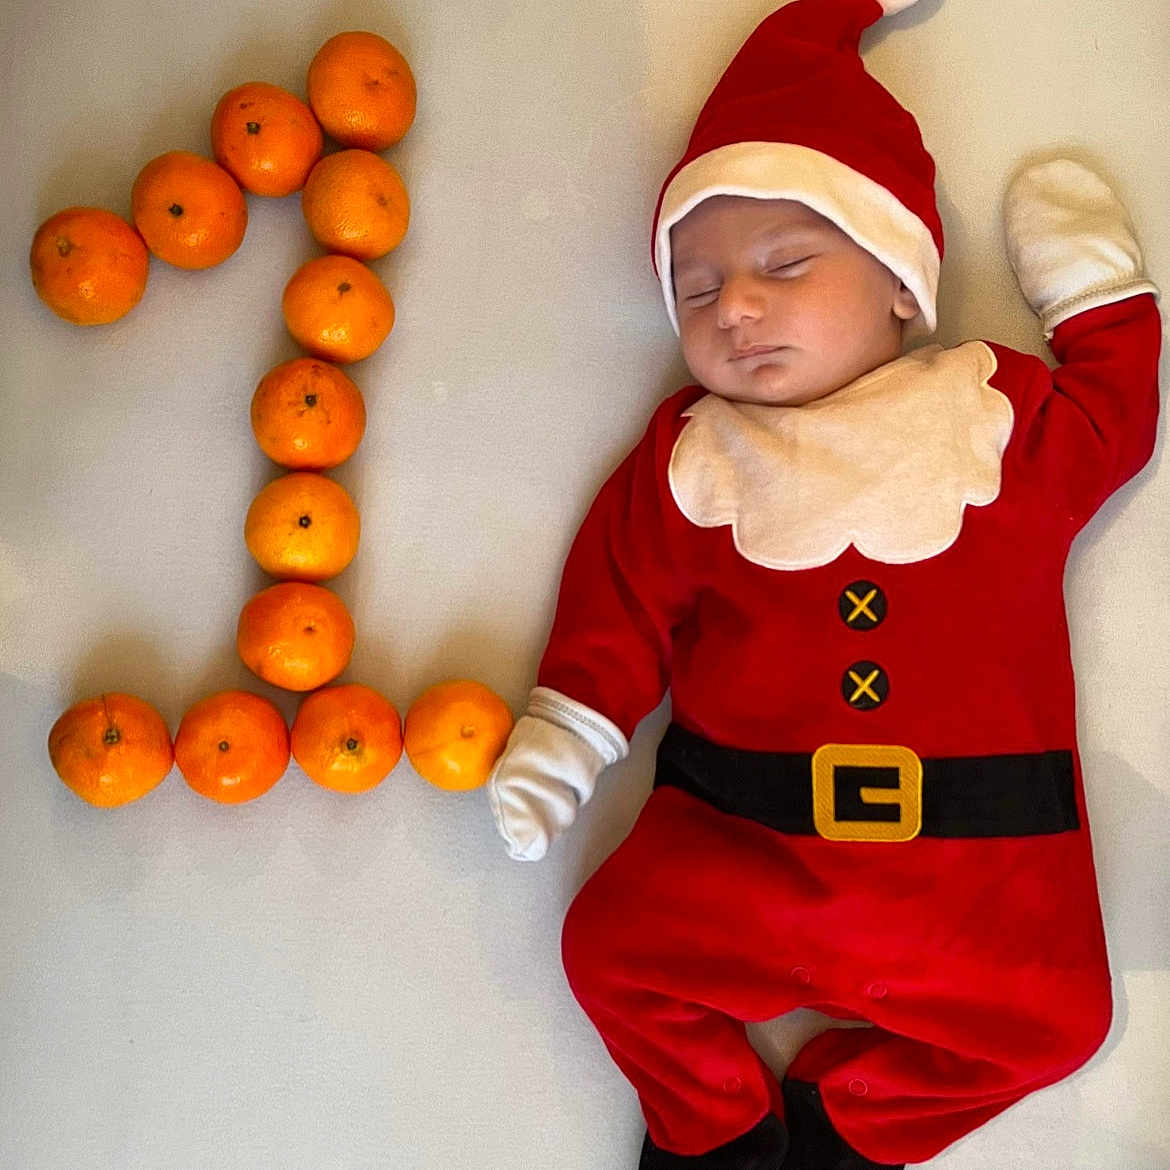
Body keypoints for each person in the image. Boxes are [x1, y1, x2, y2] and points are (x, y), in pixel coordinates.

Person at [485, 1, 1162, 1167]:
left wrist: (1097, 297)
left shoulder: (989, 414)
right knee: (608, 953)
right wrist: (567, 726)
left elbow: (1117, 418)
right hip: (742, 859)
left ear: (903, 282)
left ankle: (852, 1123)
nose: (734, 307)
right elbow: (620, 601)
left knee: (1059, 1024)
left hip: (978, 885)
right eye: (694, 291)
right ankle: (713, 1127)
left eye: (785, 265)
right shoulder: (694, 455)